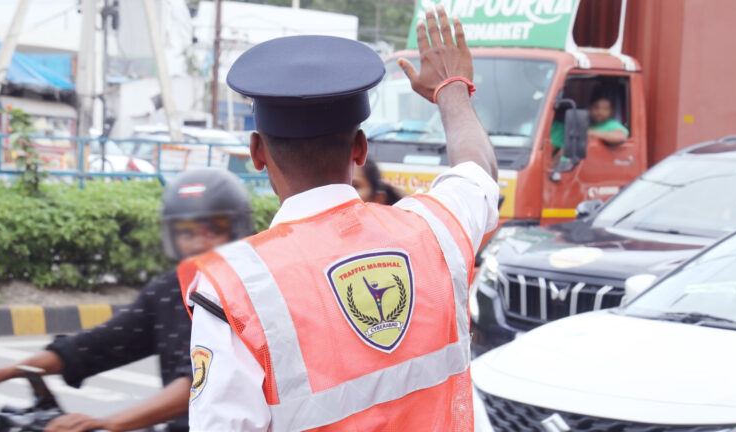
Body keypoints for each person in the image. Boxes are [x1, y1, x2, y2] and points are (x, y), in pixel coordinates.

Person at [179, 6, 498, 431]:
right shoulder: (435, 230)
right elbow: (479, 172)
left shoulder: (235, 289)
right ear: (361, 148)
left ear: (257, 152)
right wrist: (451, 88)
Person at [0, 168, 252, 432]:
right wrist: (11, 371)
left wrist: (110, 422)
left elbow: (204, 380)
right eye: (187, 233)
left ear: (236, 230)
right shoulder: (167, 291)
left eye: (212, 231)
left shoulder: (248, 293)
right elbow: (98, 344)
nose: (198, 243)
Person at [551, 89, 630, 150]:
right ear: (589, 108)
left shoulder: (612, 124)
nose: (600, 112)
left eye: (605, 109)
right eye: (596, 108)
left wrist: (590, 133)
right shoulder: (584, 122)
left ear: (611, 111)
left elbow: (620, 137)